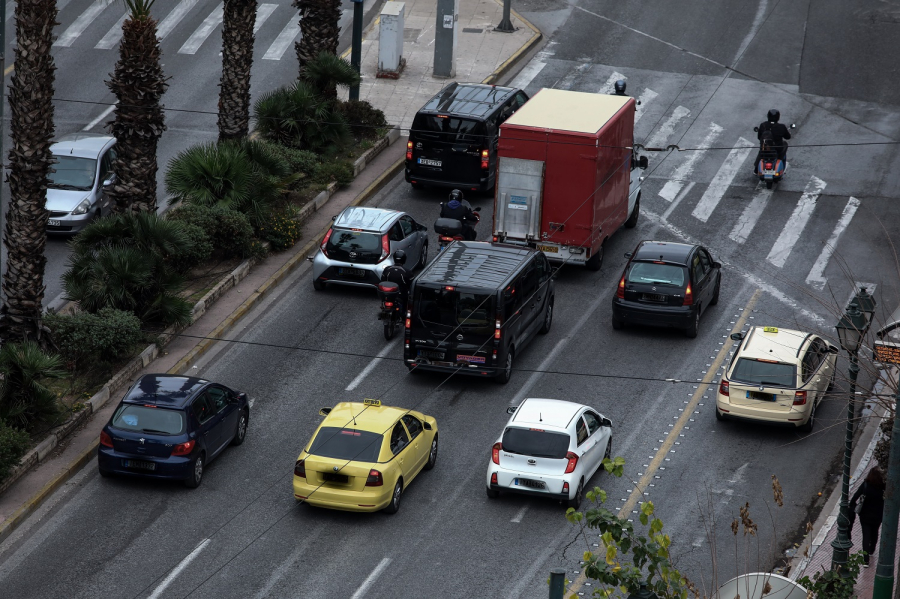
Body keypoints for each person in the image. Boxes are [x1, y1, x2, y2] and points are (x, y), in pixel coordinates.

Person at [850, 466, 886, 567]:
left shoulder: (866, 485)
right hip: (878, 515)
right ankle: (872, 550)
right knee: (875, 532)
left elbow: (855, 497)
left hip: (865, 515)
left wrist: (853, 506)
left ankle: (865, 561)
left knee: (865, 535)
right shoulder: (883, 486)